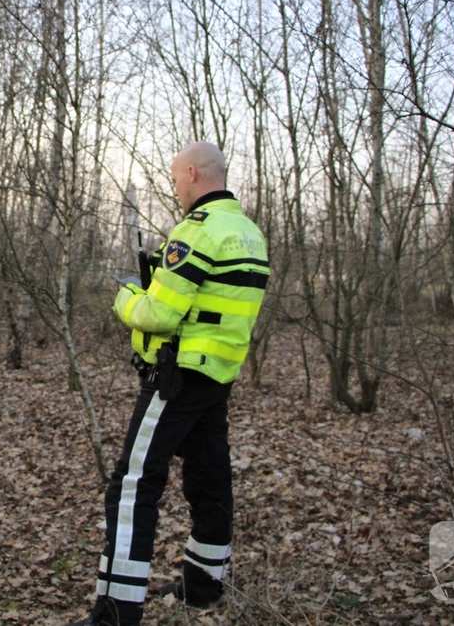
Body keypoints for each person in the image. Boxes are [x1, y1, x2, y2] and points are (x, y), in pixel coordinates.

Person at [70, 142, 269, 626]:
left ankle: (116, 612)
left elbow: (159, 313)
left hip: (176, 377)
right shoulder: (248, 232)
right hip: (217, 376)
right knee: (209, 479)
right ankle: (204, 585)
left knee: (133, 484)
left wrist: (126, 297)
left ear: (194, 173)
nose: (176, 186)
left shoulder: (196, 233)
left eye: (177, 176)